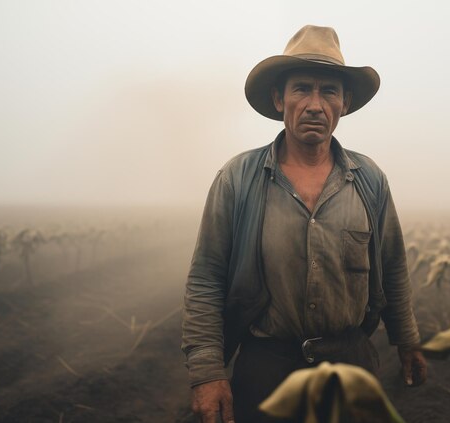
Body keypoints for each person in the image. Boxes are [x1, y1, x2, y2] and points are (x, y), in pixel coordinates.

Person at [182, 25, 427, 423]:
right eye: (302, 89)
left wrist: (407, 340)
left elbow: (393, 266)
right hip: (267, 368)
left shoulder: (369, 180)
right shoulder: (239, 178)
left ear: (344, 102)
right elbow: (206, 277)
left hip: (351, 365)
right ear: (280, 98)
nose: (315, 104)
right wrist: (207, 372)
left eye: (328, 91)